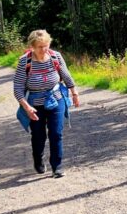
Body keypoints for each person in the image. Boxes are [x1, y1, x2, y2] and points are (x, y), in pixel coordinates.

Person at [13, 30, 80, 178]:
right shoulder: (25, 61)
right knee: (38, 136)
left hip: (56, 98)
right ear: (32, 46)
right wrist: (26, 106)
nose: (43, 49)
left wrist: (74, 93)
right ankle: (38, 159)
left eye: (45, 45)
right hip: (34, 104)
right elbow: (17, 88)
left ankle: (57, 166)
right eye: (39, 47)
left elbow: (66, 75)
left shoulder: (55, 56)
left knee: (56, 133)